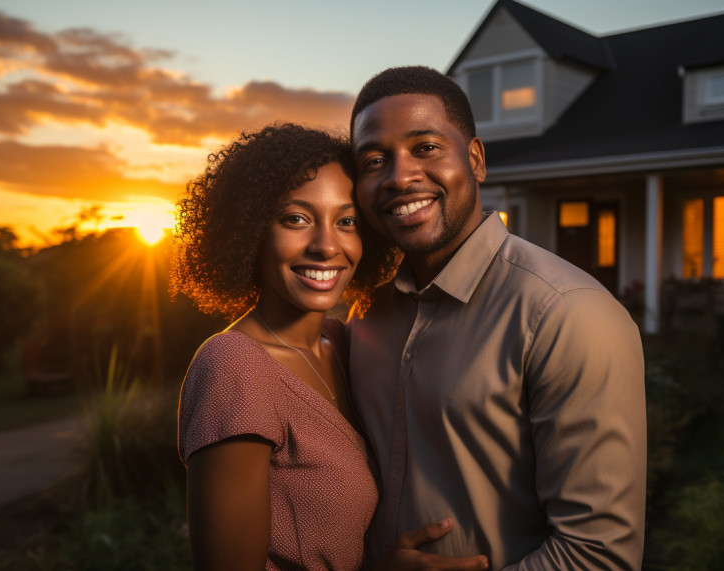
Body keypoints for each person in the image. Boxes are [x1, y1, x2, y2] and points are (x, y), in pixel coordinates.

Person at [347, 66, 647, 570]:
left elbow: (600, 556)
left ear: (476, 160)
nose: (400, 176)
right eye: (375, 161)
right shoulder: (365, 314)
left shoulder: (569, 313)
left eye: (425, 147)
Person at [173, 123, 490, 571]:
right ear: (250, 230)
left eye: (347, 222)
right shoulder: (234, 366)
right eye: (296, 219)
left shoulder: (344, 343)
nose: (326, 246)